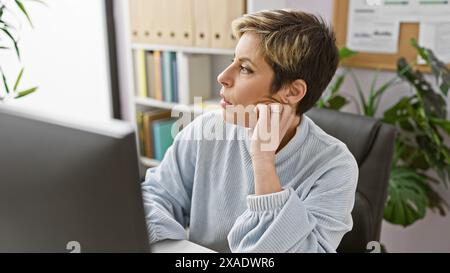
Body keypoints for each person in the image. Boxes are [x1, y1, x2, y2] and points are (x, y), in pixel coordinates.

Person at [141, 9, 359, 253]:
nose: (222, 76)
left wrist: (263, 161)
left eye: (245, 68)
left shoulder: (335, 166)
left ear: (293, 92)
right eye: (232, 60)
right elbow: (154, 197)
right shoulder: (205, 130)